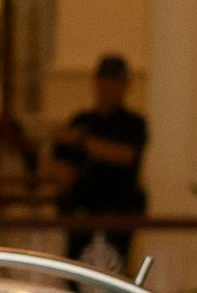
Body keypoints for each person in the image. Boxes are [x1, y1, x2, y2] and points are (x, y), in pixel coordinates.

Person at [53, 53, 149, 265]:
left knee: (113, 275)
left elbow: (126, 155)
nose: (109, 87)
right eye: (104, 80)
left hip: (117, 215)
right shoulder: (81, 119)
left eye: (115, 81)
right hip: (81, 214)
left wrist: (80, 140)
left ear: (125, 85)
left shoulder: (133, 123)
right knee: (76, 275)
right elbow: (57, 163)